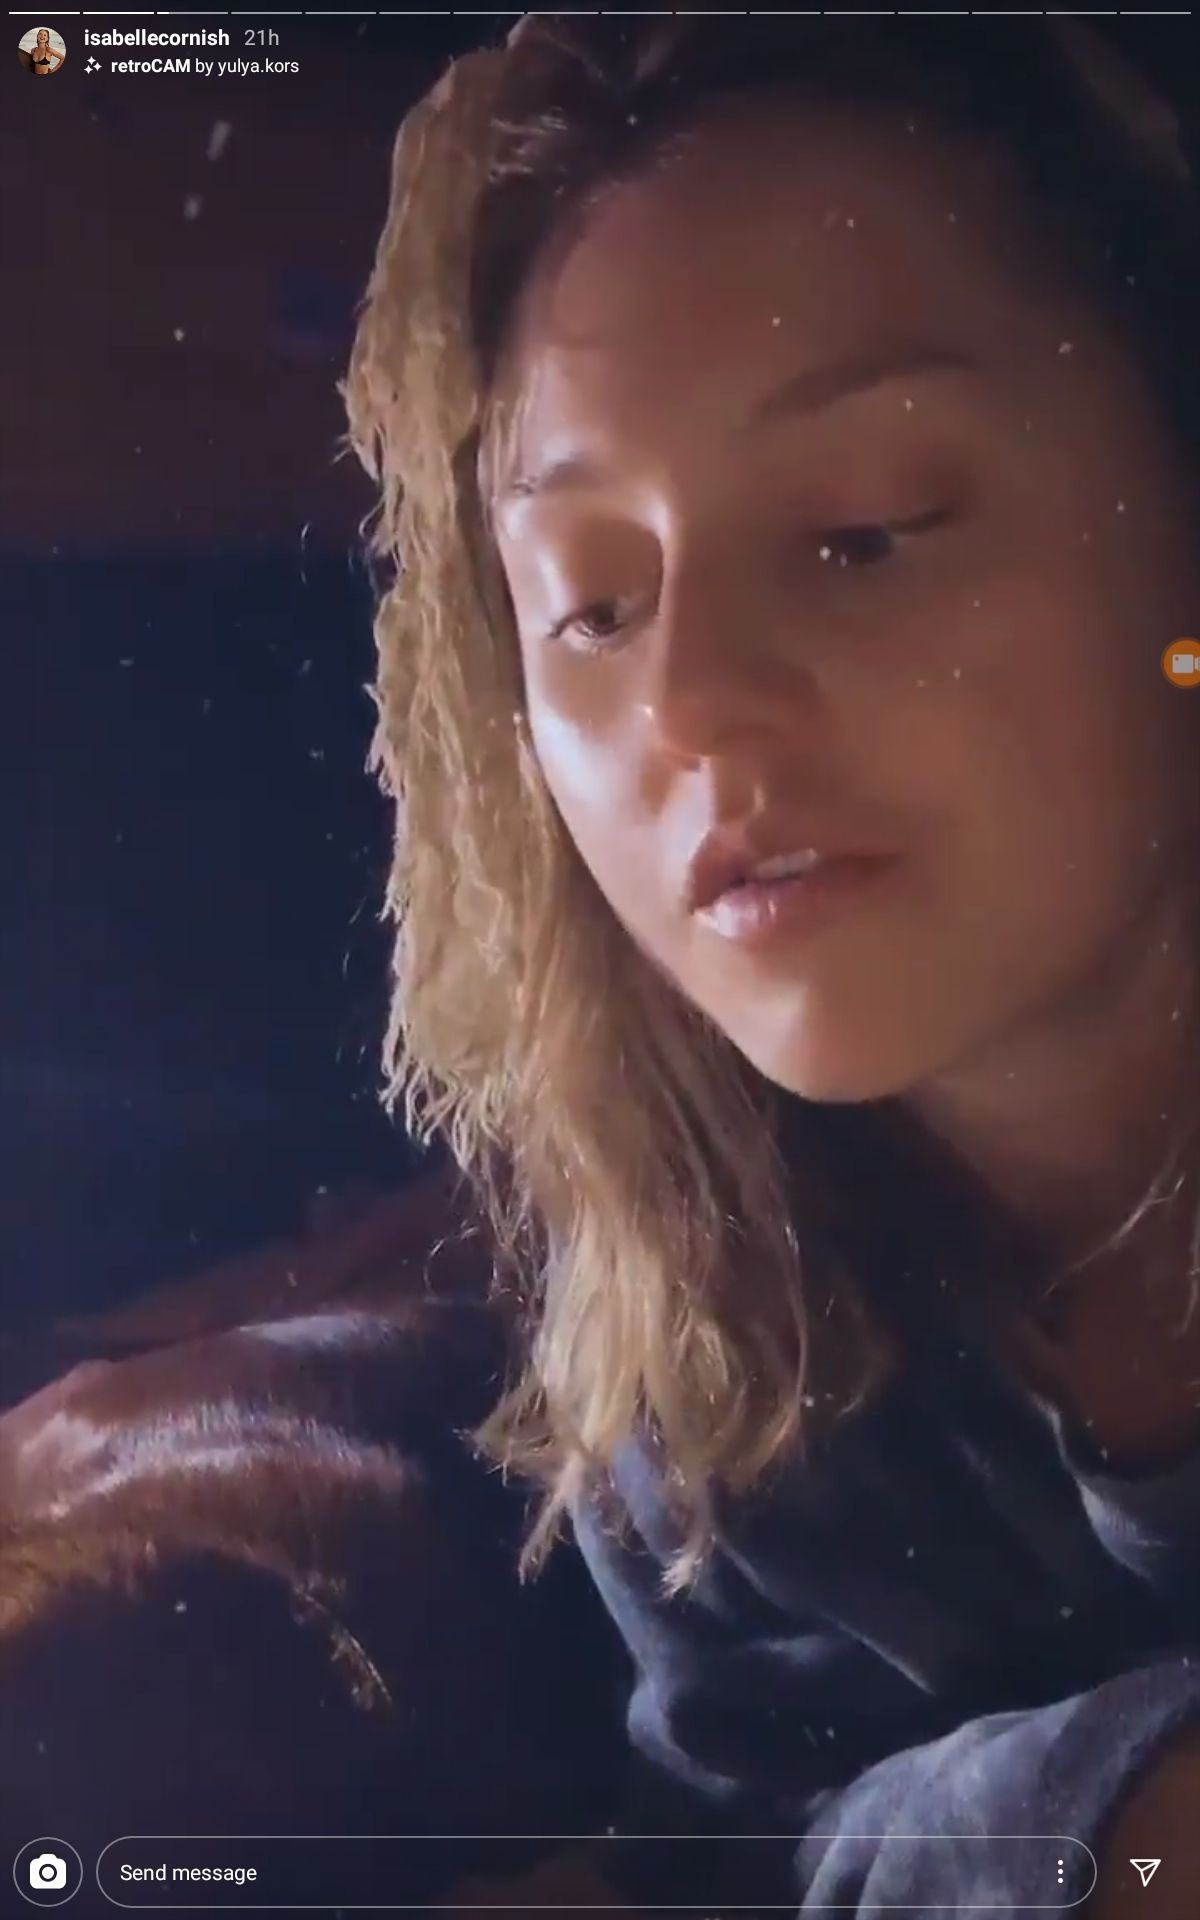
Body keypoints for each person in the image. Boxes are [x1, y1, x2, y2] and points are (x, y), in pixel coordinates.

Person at [342, 17, 1200, 1916]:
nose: (689, 704)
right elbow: (735, 1847)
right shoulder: (713, 1315)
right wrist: (1120, 1816)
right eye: (592, 605)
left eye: (861, 533)